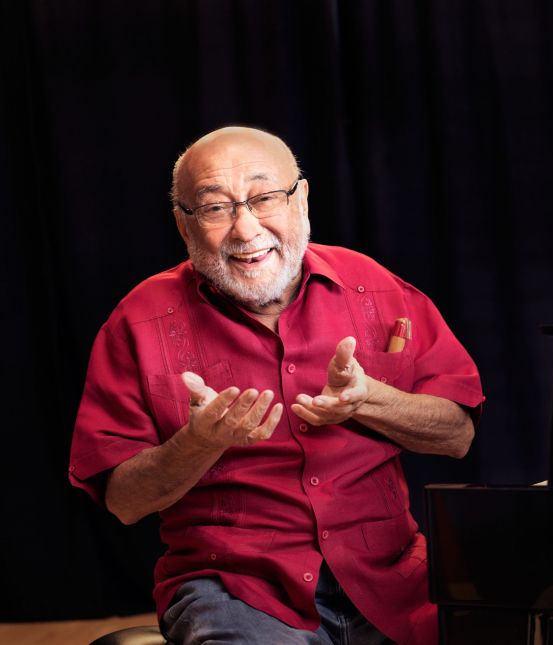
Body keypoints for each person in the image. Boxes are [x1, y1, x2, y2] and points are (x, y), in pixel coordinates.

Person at [69, 126, 484, 645]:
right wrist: (198, 443)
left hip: (396, 581)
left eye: (265, 198)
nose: (246, 230)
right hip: (239, 591)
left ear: (301, 200)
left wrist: (371, 399)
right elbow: (124, 502)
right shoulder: (139, 322)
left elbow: (458, 435)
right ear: (184, 224)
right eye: (216, 208)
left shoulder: (374, 286)